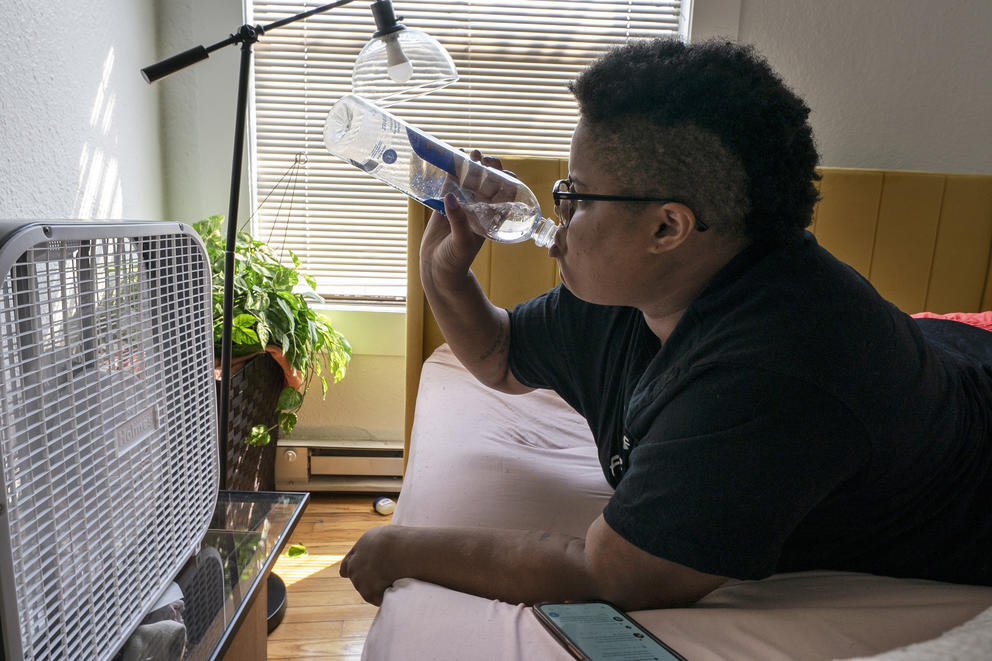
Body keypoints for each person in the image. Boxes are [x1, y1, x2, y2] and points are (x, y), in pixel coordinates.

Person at [340, 38, 992, 610]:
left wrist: (401, 548)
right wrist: (445, 276)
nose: (557, 209)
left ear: (666, 226)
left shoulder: (767, 372)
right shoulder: (637, 287)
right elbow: (502, 354)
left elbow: (610, 569)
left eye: (576, 194)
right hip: (946, 361)